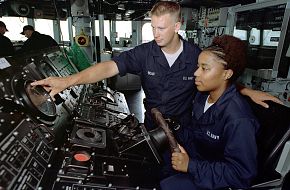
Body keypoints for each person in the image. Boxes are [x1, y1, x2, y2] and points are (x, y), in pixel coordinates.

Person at [31, 1, 280, 131]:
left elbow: (220, 80)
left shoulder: (196, 55)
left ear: (176, 27)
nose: (155, 33)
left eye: (161, 28)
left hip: (184, 129)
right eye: (152, 26)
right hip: (152, 124)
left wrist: (248, 92)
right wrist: (67, 81)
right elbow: (108, 68)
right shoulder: (144, 53)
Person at [160, 35, 260, 190]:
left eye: (204, 68)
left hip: (216, 178)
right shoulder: (202, 96)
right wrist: (177, 128)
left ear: (227, 74)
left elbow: (241, 174)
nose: (196, 73)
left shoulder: (238, 119)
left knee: (166, 186)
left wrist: (190, 166)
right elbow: (198, 135)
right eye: (198, 66)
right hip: (202, 160)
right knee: (157, 165)